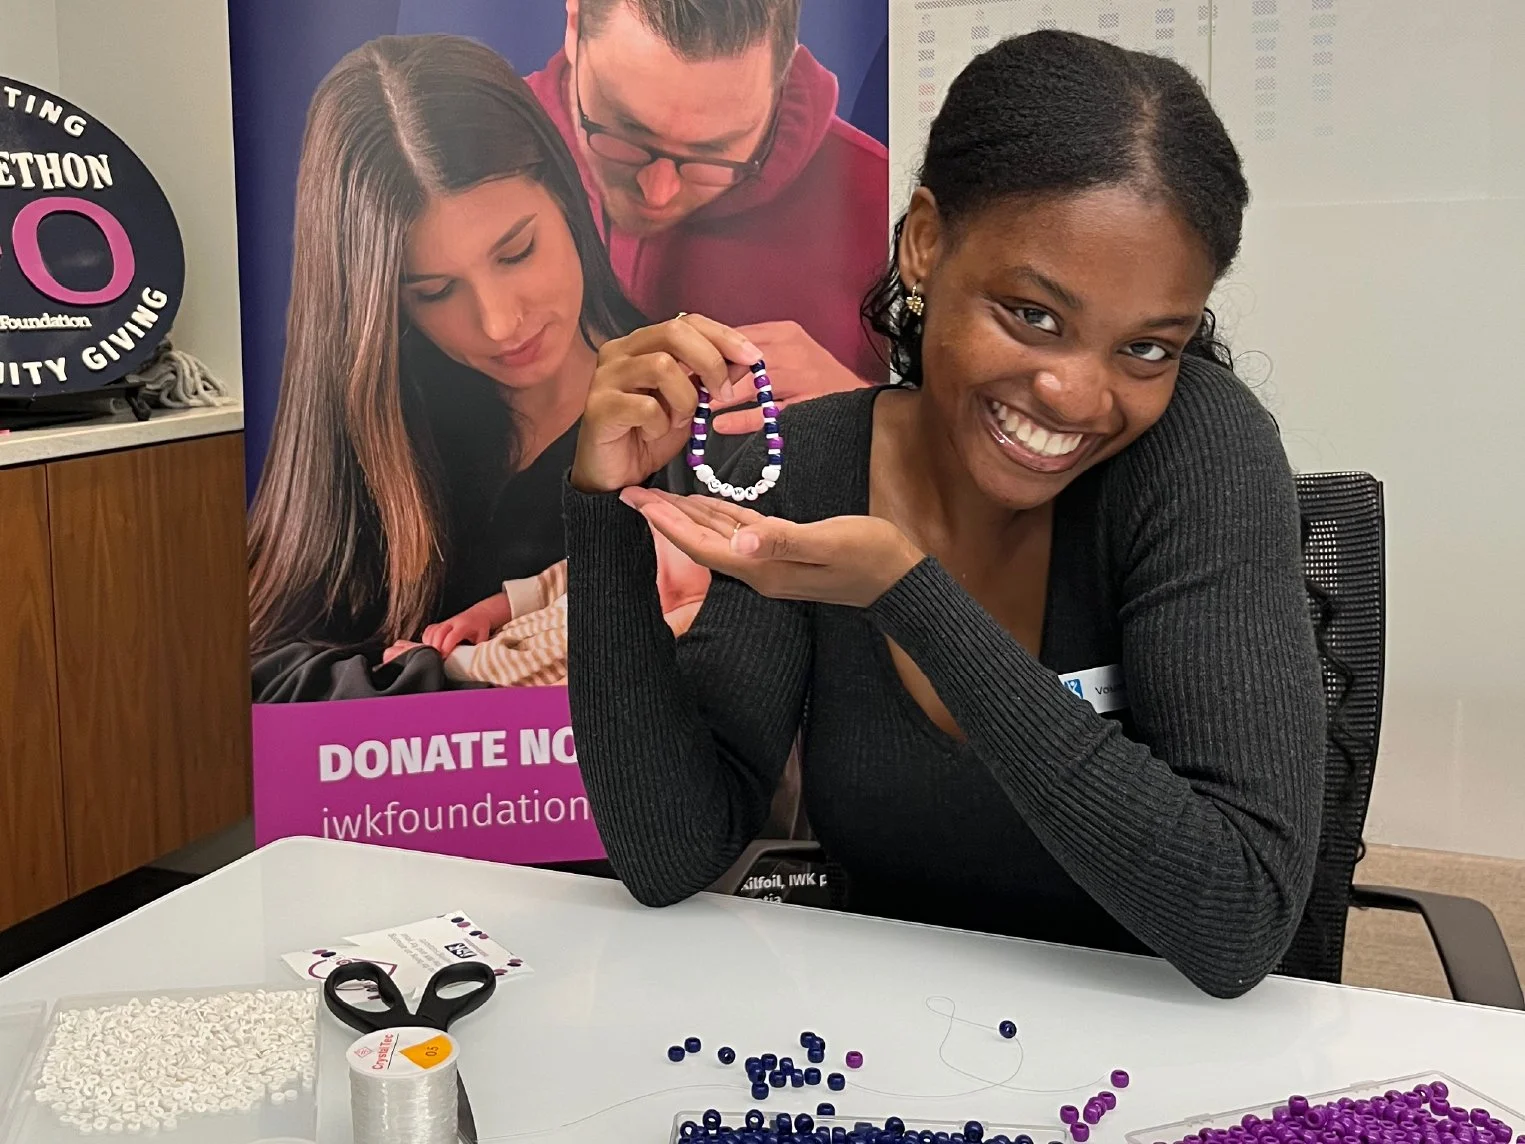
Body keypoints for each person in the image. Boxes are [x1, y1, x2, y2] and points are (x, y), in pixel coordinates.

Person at [561, 30, 1328, 999]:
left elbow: (1237, 918)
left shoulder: (1196, 452)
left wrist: (908, 594)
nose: (1078, 395)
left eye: (1146, 348)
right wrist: (602, 514)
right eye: (1033, 315)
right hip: (890, 1054)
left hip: (1157, 1071)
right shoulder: (807, 465)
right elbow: (670, 852)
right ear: (925, 242)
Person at [247, 34, 709, 701]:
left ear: (567, 198)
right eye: (432, 292)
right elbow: (268, 674)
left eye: (516, 251)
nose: (498, 323)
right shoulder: (378, 425)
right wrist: (471, 678)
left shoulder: (690, 405)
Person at [527, 0, 890, 431]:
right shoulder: (466, 162)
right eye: (624, 130)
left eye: (714, 153)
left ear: (780, 77)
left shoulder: (882, 203)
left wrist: (870, 418)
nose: (657, 194)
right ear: (575, 24)